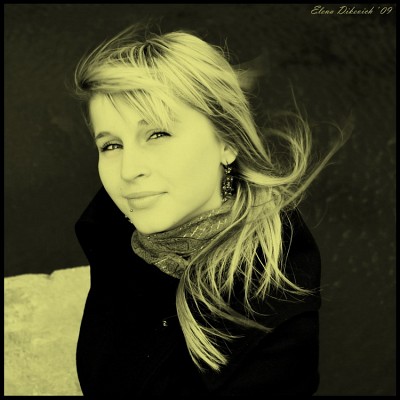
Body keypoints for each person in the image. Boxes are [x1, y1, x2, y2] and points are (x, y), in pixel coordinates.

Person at [72, 24, 349, 396]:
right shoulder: (117, 228)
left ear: (227, 142)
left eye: (157, 134)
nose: (128, 170)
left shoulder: (271, 322)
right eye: (111, 145)